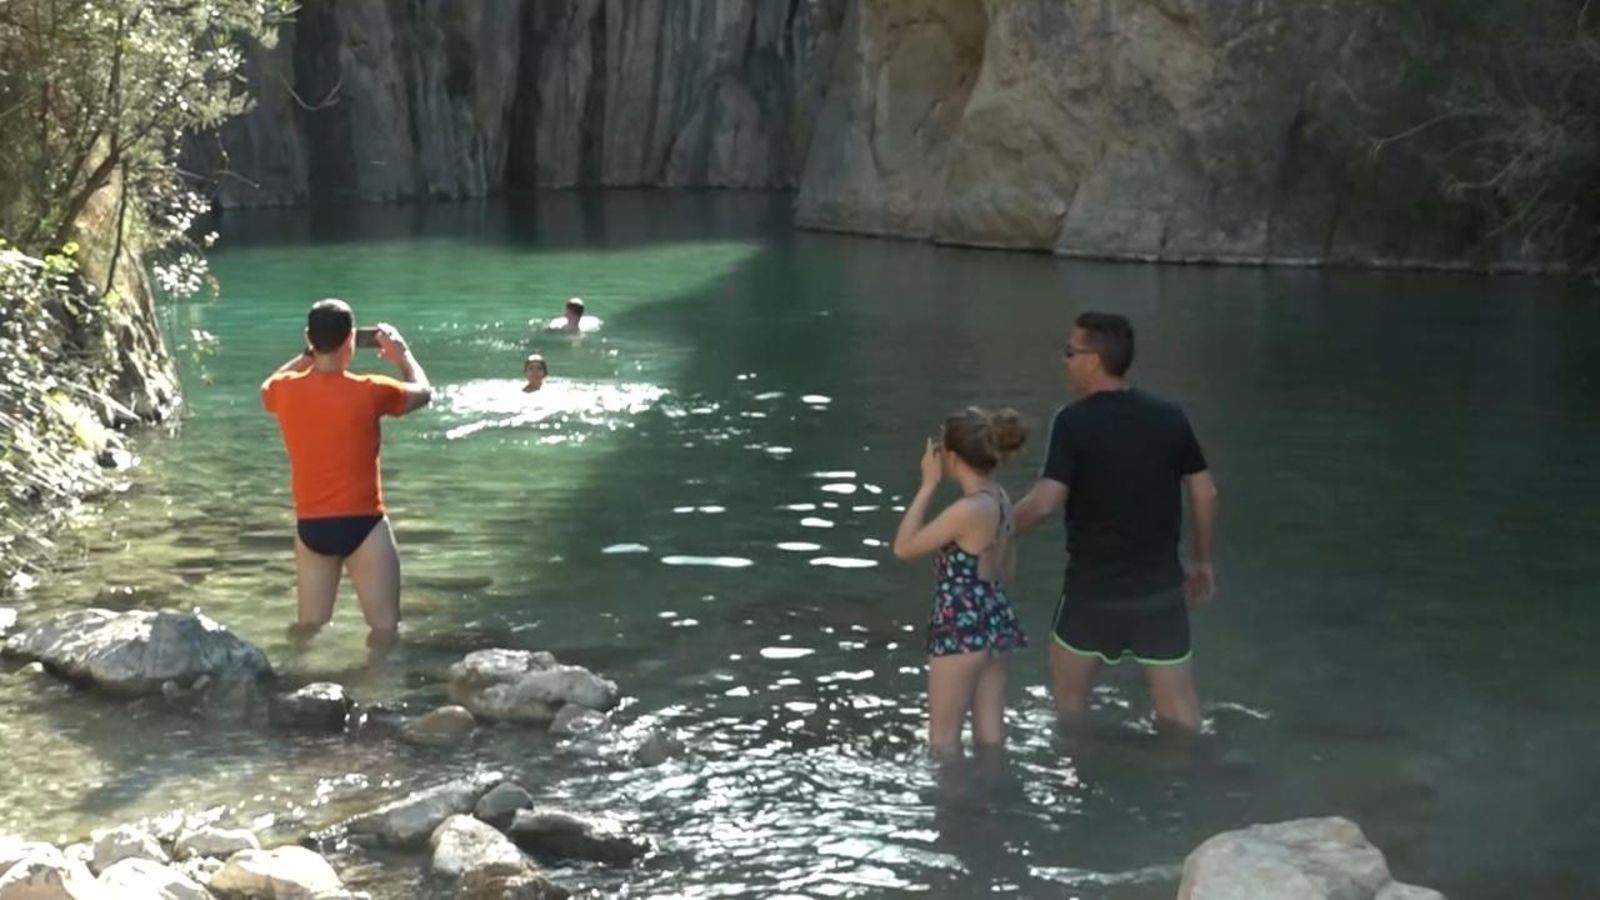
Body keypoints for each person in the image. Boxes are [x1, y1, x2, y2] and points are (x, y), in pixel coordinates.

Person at [1013, 312, 1218, 733]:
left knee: (1070, 711)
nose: (1064, 360)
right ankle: (1187, 773)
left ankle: (1078, 775)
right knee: (1180, 712)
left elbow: (1043, 505)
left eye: (1070, 352)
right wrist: (1202, 562)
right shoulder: (1170, 417)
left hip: (1092, 592)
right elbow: (1205, 493)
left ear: (1093, 361)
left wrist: (991, 528)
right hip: (1159, 592)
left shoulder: (1072, 421)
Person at [261, 298, 432, 653]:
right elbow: (423, 393)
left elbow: (269, 384)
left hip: (312, 527)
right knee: (384, 630)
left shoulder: (284, 390)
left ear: (309, 338)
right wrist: (402, 354)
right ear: (351, 339)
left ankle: (296, 680)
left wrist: (308, 356)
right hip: (364, 524)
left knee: (309, 628)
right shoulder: (371, 389)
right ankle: (379, 686)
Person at [893, 407, 1030, 758]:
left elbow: (904, 547)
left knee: (943, 743)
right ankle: (995, 791)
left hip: (959, 625)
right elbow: (1008, 569)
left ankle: (952, 797)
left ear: (951, 457)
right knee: (991, 738)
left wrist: (927, 486)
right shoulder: (1001, 499)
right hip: (996, 617)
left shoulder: (967, 510)